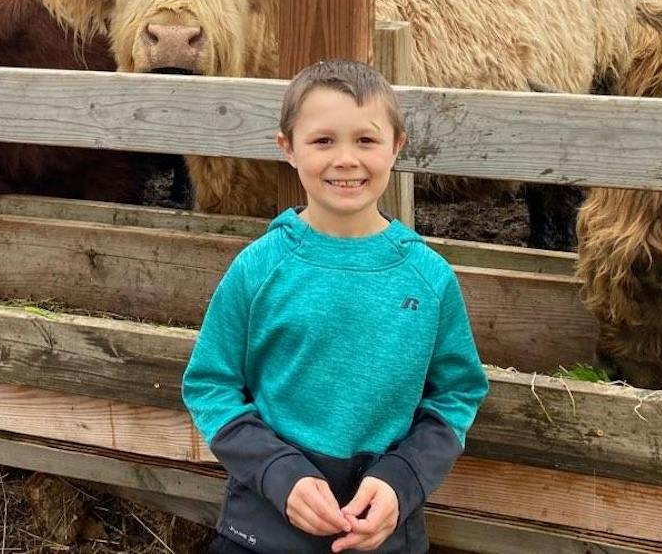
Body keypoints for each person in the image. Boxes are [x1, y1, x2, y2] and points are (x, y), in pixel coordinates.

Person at [182, 58, 489, 553]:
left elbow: (457, 394)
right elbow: (209, 383)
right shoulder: (259, 267)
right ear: (288, 148)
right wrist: (277, 472)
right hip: (265, 525)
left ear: (397, 146)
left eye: (366, 140)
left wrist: (402, 480)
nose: (346, 159)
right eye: (323, 141)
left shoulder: (429, 278)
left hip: (384, 529)